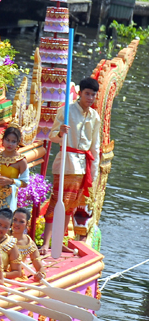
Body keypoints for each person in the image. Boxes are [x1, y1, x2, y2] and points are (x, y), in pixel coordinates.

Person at [41, 77, 101, 255]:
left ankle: (60, 241)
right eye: (87, 93)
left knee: (71, 206)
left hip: (83, 166)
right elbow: (52, 136)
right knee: (55, 202)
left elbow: (95, 147)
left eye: (93, 95)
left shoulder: (94, 117)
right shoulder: (66, 111)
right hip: (66, 162)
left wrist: (94, 173)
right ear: (80, 93)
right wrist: (61, 132)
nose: (90, 97)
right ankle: (46, 243)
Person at [0, 126, 29, 218]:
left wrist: (11, 181)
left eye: (13, 141)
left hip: (8, 198)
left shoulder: (21, 161)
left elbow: (25, 183)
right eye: (7, 140)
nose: (10, 144)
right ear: (3, 140)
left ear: (18, 143)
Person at [11, 207, 46, 282]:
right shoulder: (2, 237)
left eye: (21, 221)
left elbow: (39, 267)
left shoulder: (29, 242)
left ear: (27, 224)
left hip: (17, 279)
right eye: (15, 220)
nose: (17, 223)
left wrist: (41, 274)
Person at [0, 208, 20, 277]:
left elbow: (17, 272)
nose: (1, 229)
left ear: (10, 227)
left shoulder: (10, 244)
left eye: (5, 227)